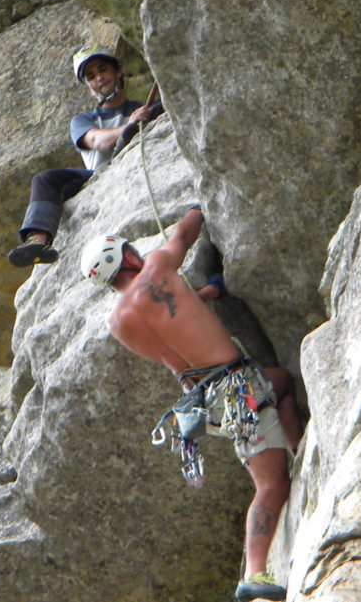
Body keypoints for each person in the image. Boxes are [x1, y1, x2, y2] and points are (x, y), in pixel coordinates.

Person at [79, 207, 302, 602]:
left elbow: (173, 333)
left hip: (203, 403)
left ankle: (294, 448)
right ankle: (254, 574)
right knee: (270, 486)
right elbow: (183, 236)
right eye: (132, 250)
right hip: (237, 388)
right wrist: (199, 209)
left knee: (281, 383)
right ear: (127, 257)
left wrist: (205, 295)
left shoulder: (118, 322)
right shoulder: (155, 267)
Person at [7, 43, 161, 267]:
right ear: (89, 88)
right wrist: (131, 123)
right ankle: (37, 241)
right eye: (91, 76)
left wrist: (142, 118)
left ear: (118, 72)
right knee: (45, 179)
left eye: (103, 69)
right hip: (95, 177)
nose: (99, 77)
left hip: (133, 163)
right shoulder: (82, 120)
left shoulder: (146, 109)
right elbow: (98, 141)